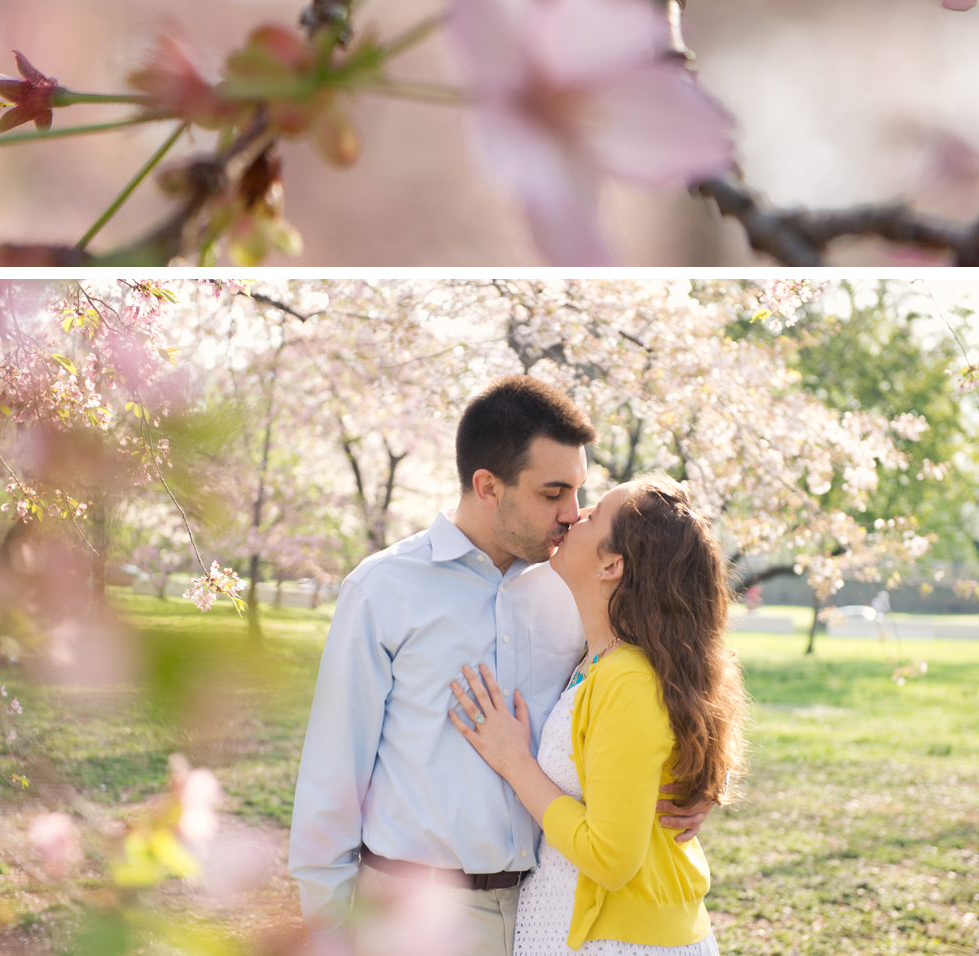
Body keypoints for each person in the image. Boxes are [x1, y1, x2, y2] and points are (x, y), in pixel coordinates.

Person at [289, 374, 712, 951]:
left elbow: (673, 667)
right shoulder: (382, 589)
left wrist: (702, 778)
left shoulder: (577, 586)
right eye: (552, 493)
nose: (572, 513)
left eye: (578, 492)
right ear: (489, 486)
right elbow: (332, 778)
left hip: (551, 910)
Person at [449, 477, 743, 956]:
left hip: (623, 941)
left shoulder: (628, 676)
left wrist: (516, 764)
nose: (572, 514)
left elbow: (610, 858)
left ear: (612, 564)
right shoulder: (598, 657)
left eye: (592, 514)